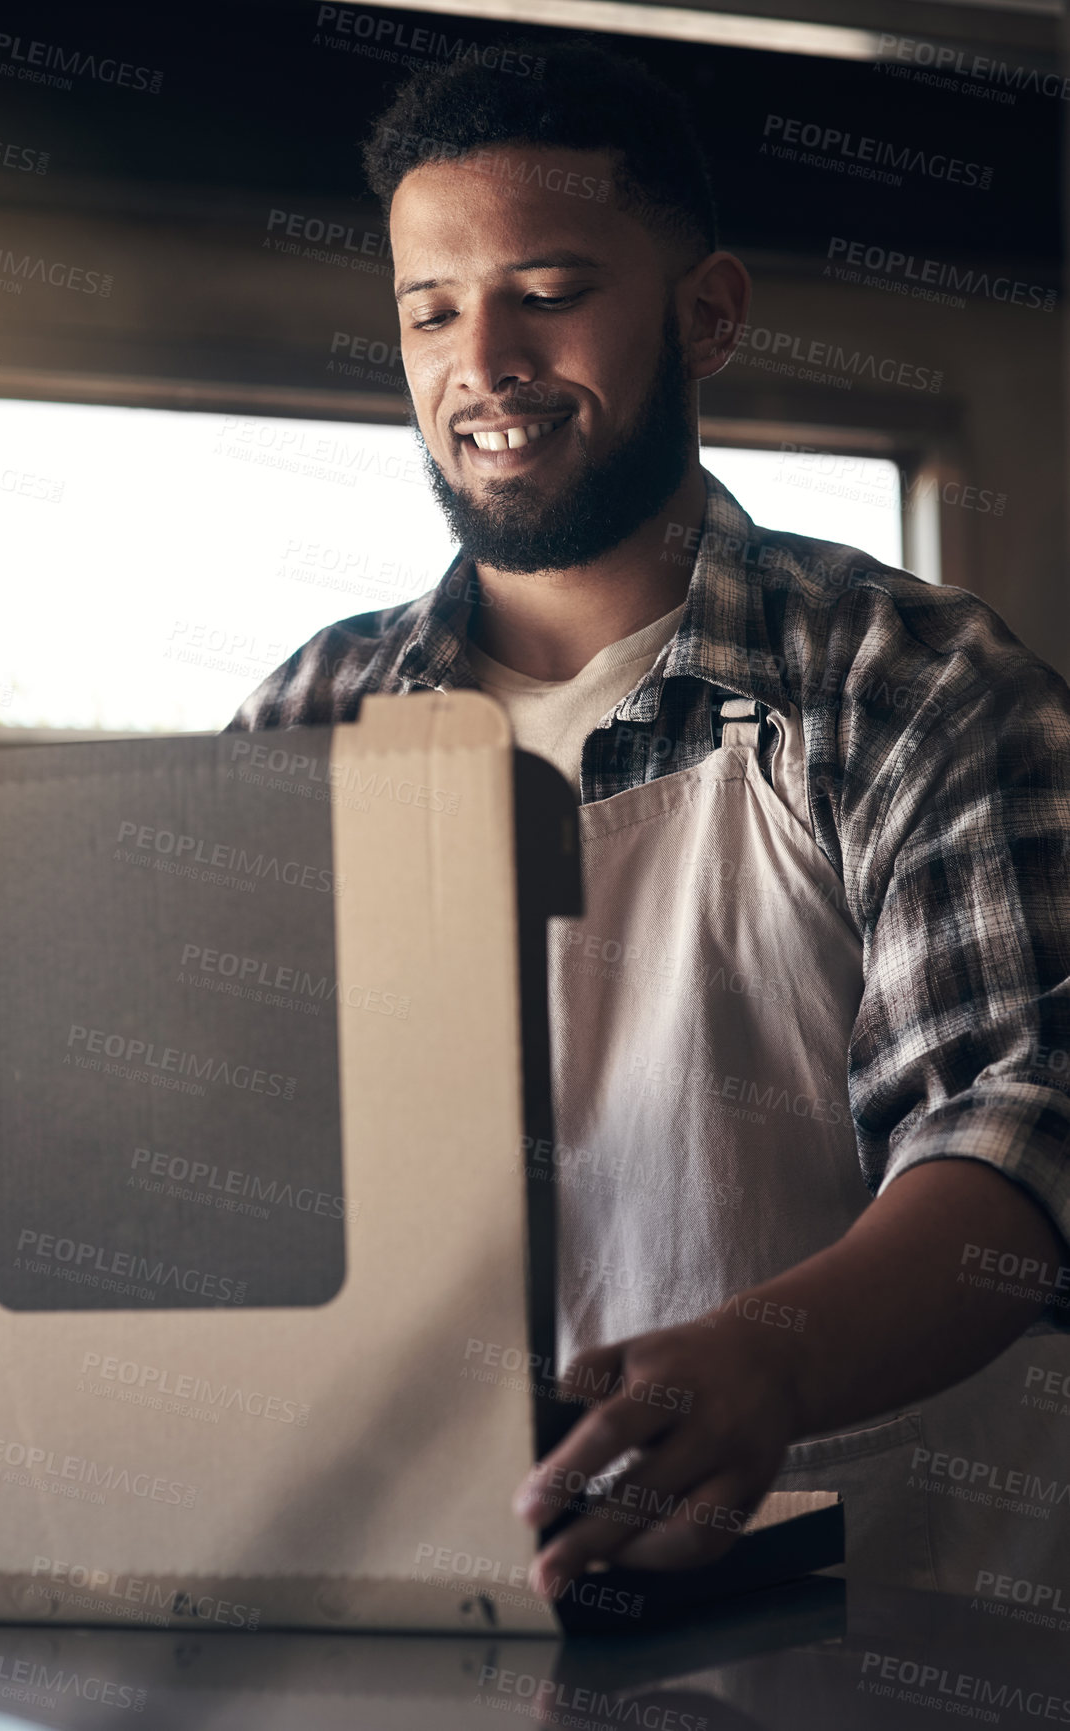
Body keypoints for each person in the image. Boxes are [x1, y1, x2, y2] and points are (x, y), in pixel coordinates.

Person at [228, 40, 1070, 1599]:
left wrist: (772, 1361)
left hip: (897, 1607)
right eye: (431, 308)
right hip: (443, 1591)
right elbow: (226, 1145)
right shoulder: (310, 718)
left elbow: (1020, 1124)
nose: (480, 358)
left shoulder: (912, 685)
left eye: (547, 292)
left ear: (708, 314)